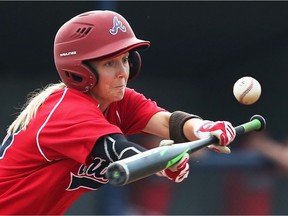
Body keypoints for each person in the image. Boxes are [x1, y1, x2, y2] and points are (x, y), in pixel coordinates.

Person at [0, 10, 236, 214]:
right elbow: (116, 149)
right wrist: (163, 164)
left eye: (124, 59)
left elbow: (166, 123)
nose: (122, 72)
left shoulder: (116, 100)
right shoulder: (66, 109)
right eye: (109, 63)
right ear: (79, 70)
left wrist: (201, 127)